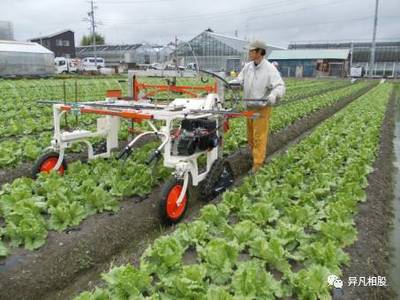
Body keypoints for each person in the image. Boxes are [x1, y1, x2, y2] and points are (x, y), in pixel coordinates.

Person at [229, 40, 285, 173]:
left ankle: (258, 164)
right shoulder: (248, 67)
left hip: (261, 108)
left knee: (259, 136)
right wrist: (230, 84)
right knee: (250, 136)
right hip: (249, 107)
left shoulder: (269, 69)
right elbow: (239, 80)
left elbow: (280, 86)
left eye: (251, 51)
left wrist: (273, 95)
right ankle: (255, 157)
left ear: (260, 52)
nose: (249, 53)